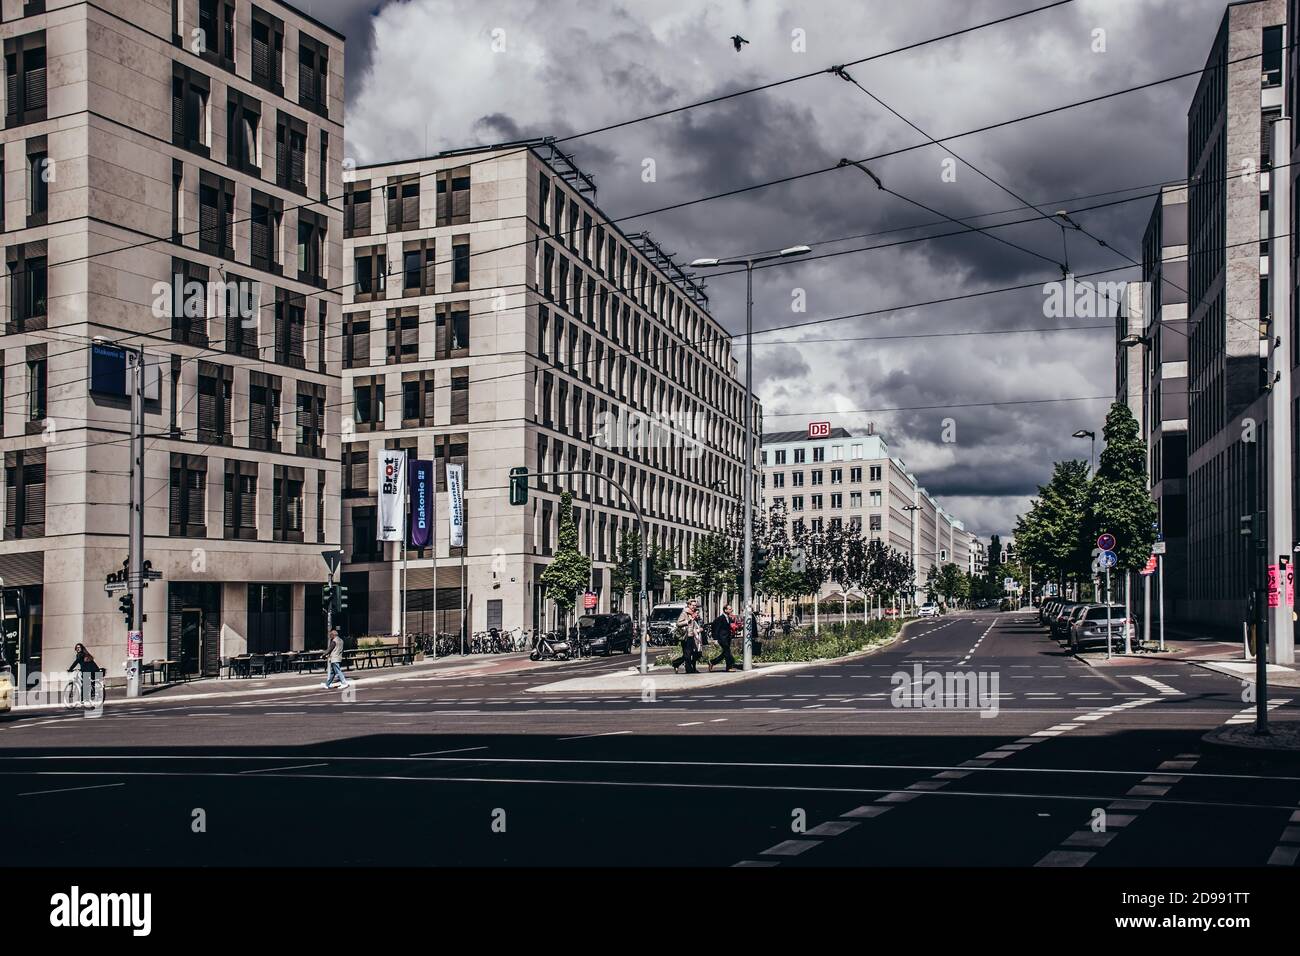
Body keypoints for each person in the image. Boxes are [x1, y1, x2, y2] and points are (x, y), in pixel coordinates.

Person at [671, 600, 701, 673]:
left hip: (692, 636)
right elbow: (678, 623)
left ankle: (676, 664)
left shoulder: (693, 614)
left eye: (695, 605)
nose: (694, 607)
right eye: (692, 605)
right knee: (687, 654)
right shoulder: (684, 613)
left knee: (695, 653)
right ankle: (689, 669)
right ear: (689, 605)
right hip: (686, 636)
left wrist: (697, 630)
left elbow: (694, 625)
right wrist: (687, 621)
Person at [708, 604, 738, 672]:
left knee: (725, 652)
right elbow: (716, 629)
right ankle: (729, 667)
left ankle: (712, 662)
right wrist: (715, 639)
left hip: (727, 638)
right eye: (730, 609)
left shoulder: (729, 618)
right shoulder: (720, 618)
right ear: (725, 610)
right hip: (722, 638)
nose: (731, 610)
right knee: (727, 652)